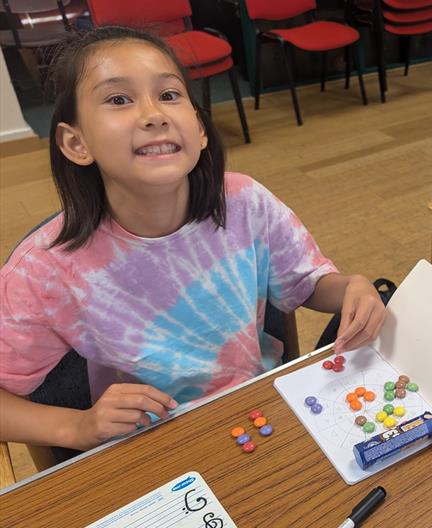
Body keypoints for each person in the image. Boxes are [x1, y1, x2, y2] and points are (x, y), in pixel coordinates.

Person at [0, 27, 386, 451]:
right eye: (118, 100)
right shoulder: (46, 267)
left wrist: (352, 287)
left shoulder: (244, 202)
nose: (153, 115)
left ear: (199, 129)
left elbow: (307, 282)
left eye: (168, 95)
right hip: (152, 444)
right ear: (76, 143)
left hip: (257, 409)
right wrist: (75, 428)